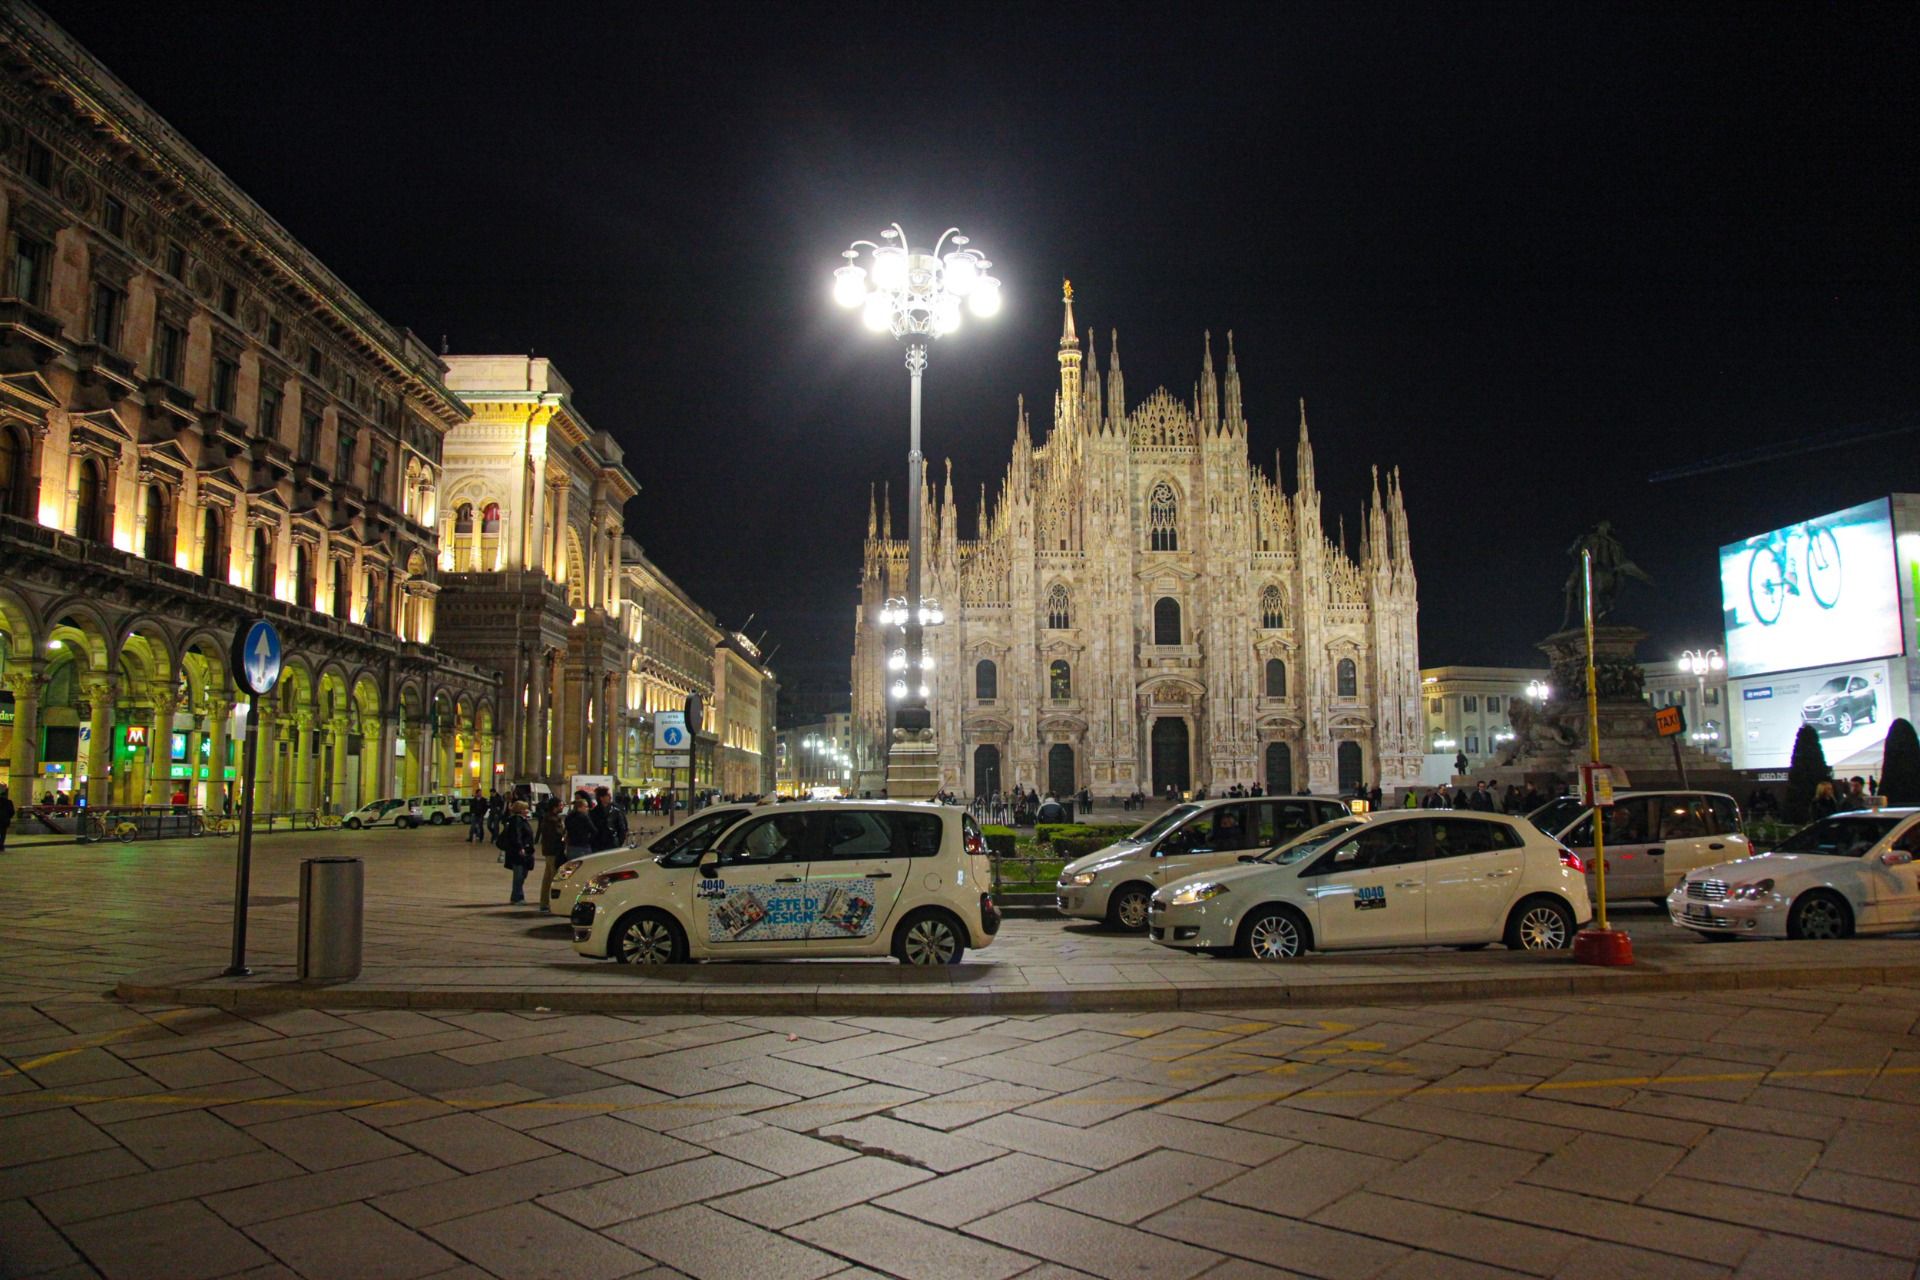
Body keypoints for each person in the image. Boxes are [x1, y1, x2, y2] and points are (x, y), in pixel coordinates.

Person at [501, 799, 536, 905]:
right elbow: (517, 835)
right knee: (519, 876)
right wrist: (520, 847)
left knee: (522, 875)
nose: (527, 810)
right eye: (526, 809)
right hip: (518, 852)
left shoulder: (521, 819)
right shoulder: (517, 820)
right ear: (520, 810)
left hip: (523, 850)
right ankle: (517, 897)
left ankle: (515, 896)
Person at [536, 798, 566, 913]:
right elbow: (557, 835)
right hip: (553, 851)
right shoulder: (552, 820)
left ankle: (544, 902)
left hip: (549, 850)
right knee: (553, 878)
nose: (562, 807)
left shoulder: (549, 818)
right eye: (561, 805)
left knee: (548, 877)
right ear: (555, 807)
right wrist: (564, 837)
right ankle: (550, 903)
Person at [593, 786, 629, 850]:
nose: (610, 797)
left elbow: (622, 827)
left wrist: (619, 841)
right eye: (608, 795)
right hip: (598, 844)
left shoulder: (616, 811)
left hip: (613, 843)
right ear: (601, 798)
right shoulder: (593, 812)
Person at [0, 783, 13, 853]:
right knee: (3, 834)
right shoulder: (9, 802)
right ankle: (1, 846)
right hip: (5, 820)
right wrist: (8, 817)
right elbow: (12, 812)